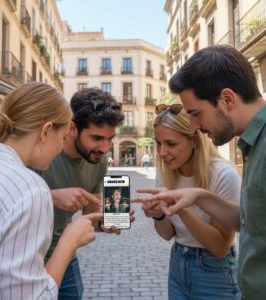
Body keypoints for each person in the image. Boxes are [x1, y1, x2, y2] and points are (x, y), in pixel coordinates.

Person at [133, 45, 266, 299]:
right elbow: (251, 219)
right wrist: (196, 198)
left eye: (195, 113)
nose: (193, 125)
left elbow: (221, 243)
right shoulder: (253, 144)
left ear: (227, 99)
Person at [0, 82, 102, 299]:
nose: (61, 147)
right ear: (46, 131)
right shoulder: (30, 189)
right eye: (63, 136)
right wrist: (69, 241)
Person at [36, 87, 134, 300]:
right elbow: (9, 196)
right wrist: (52, 196)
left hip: (65, 256)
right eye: (97, 138)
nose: (105, 148)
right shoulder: (43, 151)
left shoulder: (97, 162)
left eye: (110, 139)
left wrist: (107, 222)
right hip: (28, 257)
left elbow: (91, 214)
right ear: (72, 128)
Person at [136, 102, 241, 299]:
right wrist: (159, 215)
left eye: (171, 144)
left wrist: (180, 207)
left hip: (214, 271)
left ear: (194, 141)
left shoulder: (223, 174)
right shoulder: (165, 172)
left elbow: (219, 247)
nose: (162, 152)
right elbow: (168, 234)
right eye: (158, 143)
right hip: (177, 262)